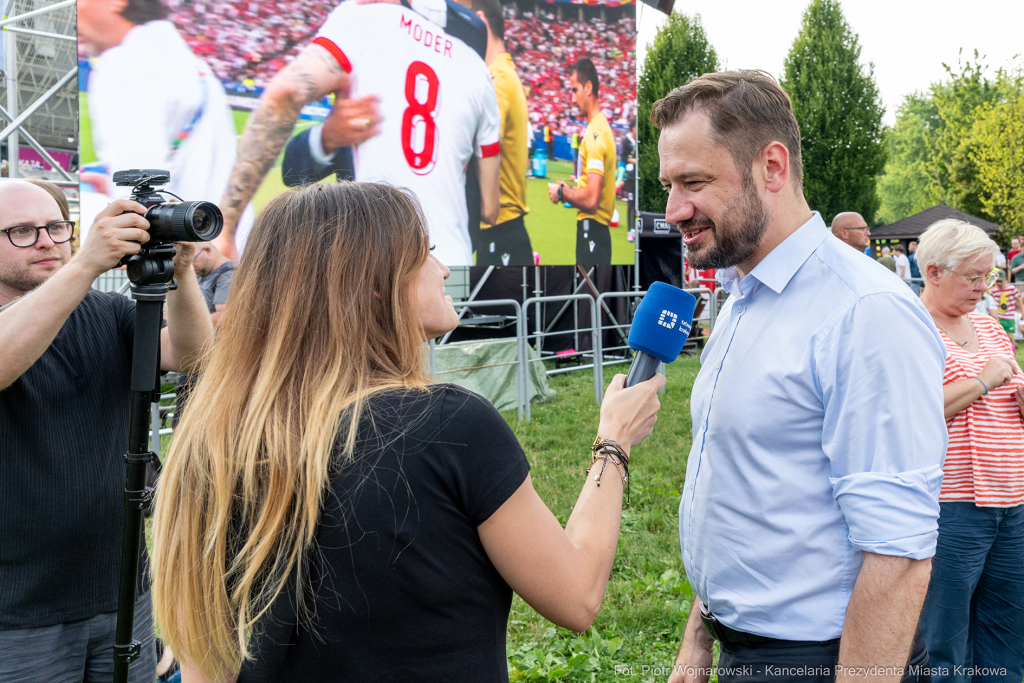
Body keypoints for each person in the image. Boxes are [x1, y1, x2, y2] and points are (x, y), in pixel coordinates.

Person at [150, 181, 664, 682]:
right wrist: (613, 441)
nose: (444, 270)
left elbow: (204, 666)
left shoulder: (211, 440)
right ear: (374, 282)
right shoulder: (450, 427)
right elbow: (576, 595)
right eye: (427, 252)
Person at [653, 71, 946, 683]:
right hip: (742, 648)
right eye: (668, 185)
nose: (674, 210)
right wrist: (699, 636)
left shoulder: (864, 310)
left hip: (822, 659)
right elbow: (743, 487)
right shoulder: (742, 297)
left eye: (694, 183)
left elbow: (897, 554)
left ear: (772, 167)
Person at [0, 180, 213, 683]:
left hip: (120, 588)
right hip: (16, 612)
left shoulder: (109, 312)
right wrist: (84, 265)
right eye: (22, 232)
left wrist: (182, 272)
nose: (47, 242)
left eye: (56, 227)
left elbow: (195, 356)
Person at [214, 0, 500, 266]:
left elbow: (286, 93)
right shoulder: (478, 70)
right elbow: (490, 209)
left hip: (374, 259)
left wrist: (225, 228)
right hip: (451, 265)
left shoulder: (363, 17)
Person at [914, 219, 1024, 682]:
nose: (984, 287)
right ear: (934, 272)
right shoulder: (912, 326)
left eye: (989, 275)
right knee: (944, 635)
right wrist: (982, 380)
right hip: (953, 503)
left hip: (1012, 497)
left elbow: (1012, 387)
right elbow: (910, 411)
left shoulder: (989, 326)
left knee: (1008, 631)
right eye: (974, 277)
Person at [77, 0, 255, 250]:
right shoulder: (188, 62)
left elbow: (139, 207)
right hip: (222, 248)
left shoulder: (126, 63)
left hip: (182, 260)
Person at [278, 0, 488, 188]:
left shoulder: (468, 91)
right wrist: (326, 137)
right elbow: (293, 172)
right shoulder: (369, 90)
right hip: (373, 212)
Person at [465, 0, 533, 267]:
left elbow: (476, 149)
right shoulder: (504, 73)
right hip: (504, 231)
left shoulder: (497, 80)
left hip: (500, 232)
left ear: (481, 22)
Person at [547, 58, 617, 265]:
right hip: (595, 232)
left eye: (574, 90)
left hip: (592, 232)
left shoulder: (596, 133)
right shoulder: (599, 128)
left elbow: (592, 199)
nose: (572, 98)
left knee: (588, 287)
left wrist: (562, 192)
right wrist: (570, 189)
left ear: (588, 88)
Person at [173, 243, 236, 426]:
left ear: (207, 251)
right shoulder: (205, 275)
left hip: (213, 360)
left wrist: (188, 324)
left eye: (192, 260)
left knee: (194, 419)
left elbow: (225, 316)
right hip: (197, 357)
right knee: (183, 416)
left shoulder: (228, 274)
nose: (190, 266)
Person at [989, 268, 1022, 339]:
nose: (999, 283)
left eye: (1001, 281)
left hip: (1009, 316)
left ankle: (1012, 346)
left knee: (1009, 336)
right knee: (999, 335)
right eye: (997, 281)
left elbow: (1019, 300)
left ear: (1006, 279)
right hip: (998, 316)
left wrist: (1023, 312)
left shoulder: (1012, 288)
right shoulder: (993, 290)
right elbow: (989, 301)